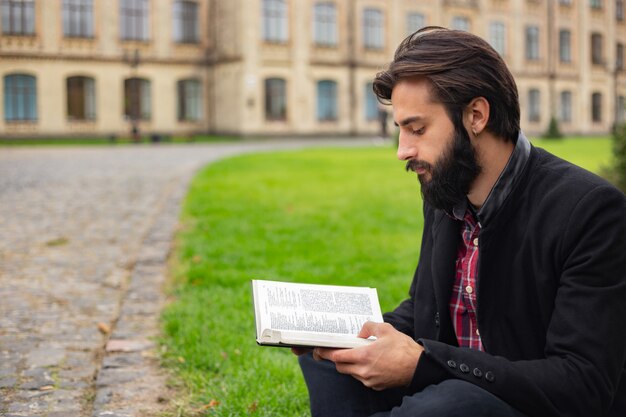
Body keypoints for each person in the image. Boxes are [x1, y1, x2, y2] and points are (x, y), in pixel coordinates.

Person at [294, 27, 626, 417]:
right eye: (400, 130)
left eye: (417, 129)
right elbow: (423, 310)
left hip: (530, 403)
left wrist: (424, 364)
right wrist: (350, 332)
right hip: (452, 388)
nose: (403, 151)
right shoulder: (444, 191)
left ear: (476, 115)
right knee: (331, 358)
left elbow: (582, 383)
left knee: (450, 404)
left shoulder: (590, 211)